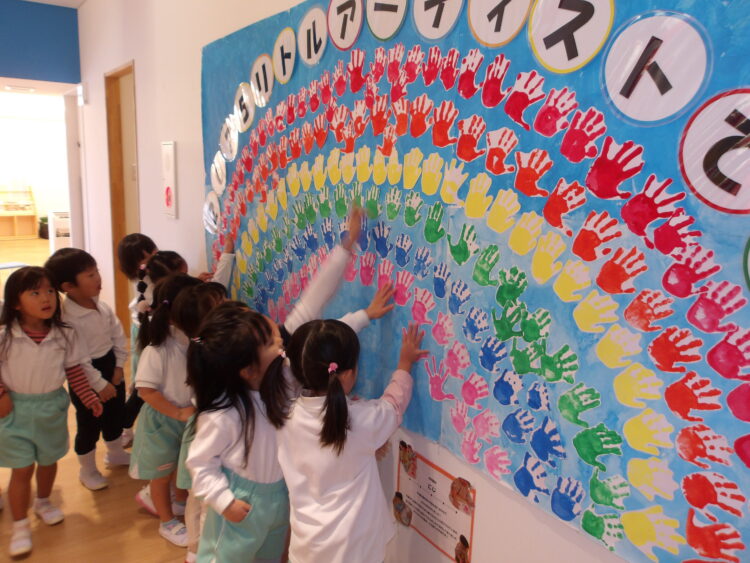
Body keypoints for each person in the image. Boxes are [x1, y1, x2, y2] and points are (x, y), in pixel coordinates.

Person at [278, 320, 427, 562]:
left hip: (307, 545)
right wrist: (405, 364)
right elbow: (392, 406)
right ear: (348, 374)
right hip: (355, 548)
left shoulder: (286, 418)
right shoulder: (359, 420)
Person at [0, 267, 103, 557]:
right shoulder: (5, 336)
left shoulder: (65, 334)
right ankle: (20, 525)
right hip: (15, 411)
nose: (46, 298)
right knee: (22, 468)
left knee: (48, 461)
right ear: (15, 302)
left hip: (51, 408)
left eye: (49, 291)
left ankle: (43, 501)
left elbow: (74, 371)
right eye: (35, 293)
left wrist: (89, 397)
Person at [45, 248, 131, 491]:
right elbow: (77, 359)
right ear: (68, 286)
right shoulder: (68, 318)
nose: (98, 278)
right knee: (89, 424)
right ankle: (88, 470)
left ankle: (115, 453)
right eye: (90, 275)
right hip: (85, 375)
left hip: (110, 365)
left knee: (115, 414)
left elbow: (117, 334)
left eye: (97, 272)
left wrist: (118, 367)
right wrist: (99, 384)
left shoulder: (100, 305)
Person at [128, 274, 202, 546]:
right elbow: (145, 391)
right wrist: (177, 413)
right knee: (160, 473)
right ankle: (166, 521)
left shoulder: (191, 340)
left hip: (186, 416)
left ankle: (179, 500)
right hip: (163, 420)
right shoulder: (158, 349)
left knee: (180, 463)